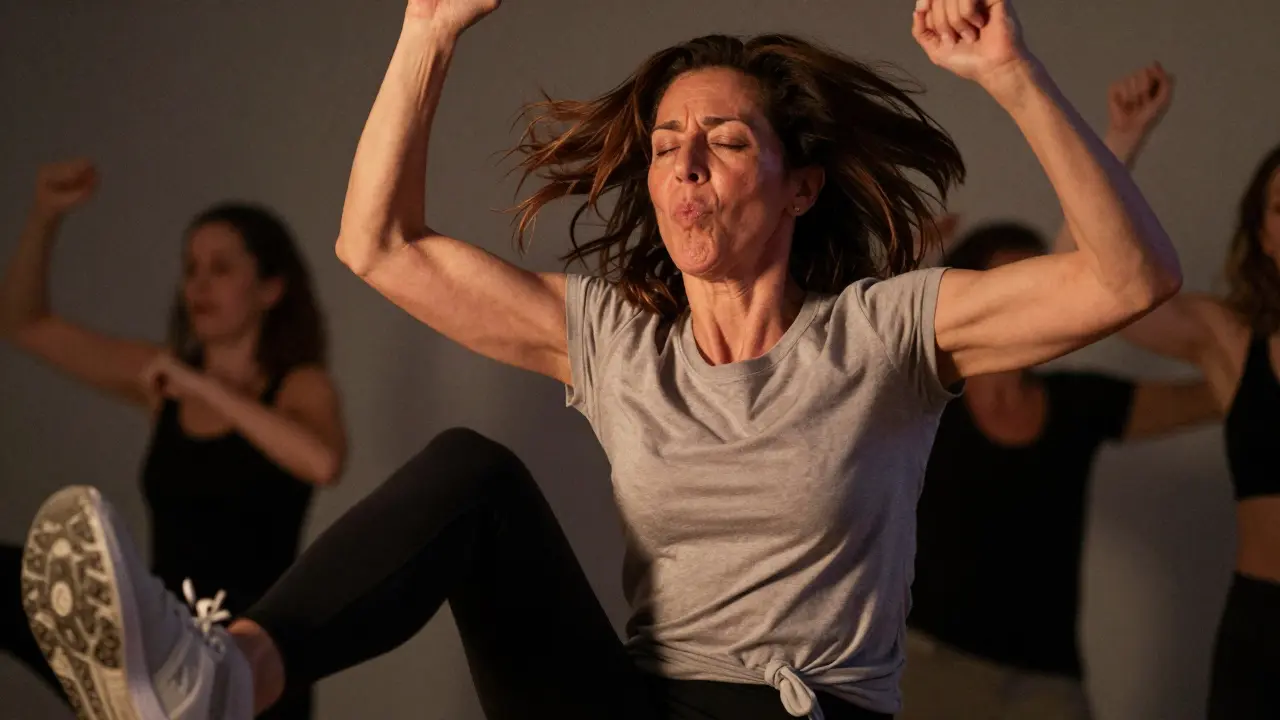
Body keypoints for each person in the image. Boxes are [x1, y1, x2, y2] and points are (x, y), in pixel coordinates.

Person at [20, 1, 1183, 718]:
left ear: (799, 186)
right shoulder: (614, 336)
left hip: (798, 714)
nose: (684, 165)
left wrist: (1011, 77)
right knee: (472, 476)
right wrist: (426, 29)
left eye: (725, 142)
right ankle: (225, 679)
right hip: (623, 705)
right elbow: (375, 246)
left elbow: (1130, 281)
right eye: (667, 144)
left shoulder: (882, 333)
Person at [901, 64, 1206, 720]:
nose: (1028, 310)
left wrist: (1122, 140)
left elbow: (1088, 276)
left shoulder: (1074, 404)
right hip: (934, 670)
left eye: (1034, 290)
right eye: (1006, 295)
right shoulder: (933, 399)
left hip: (1049, 683)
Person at [2, 161, 347, 720]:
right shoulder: (164, 378)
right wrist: (44, 215)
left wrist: (201, 384)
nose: (198, 285)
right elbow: (25, 323)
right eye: (190, 269)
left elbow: (322, 461)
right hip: (161, 649)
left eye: (220, 268)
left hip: (253, 659)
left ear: (271, 287)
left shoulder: (298, 387)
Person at [1056, 142, 1280, 719]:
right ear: (1263, 234)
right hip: (1265, 625)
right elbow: (1079, 282)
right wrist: (1119, 142)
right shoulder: (1232, 340)